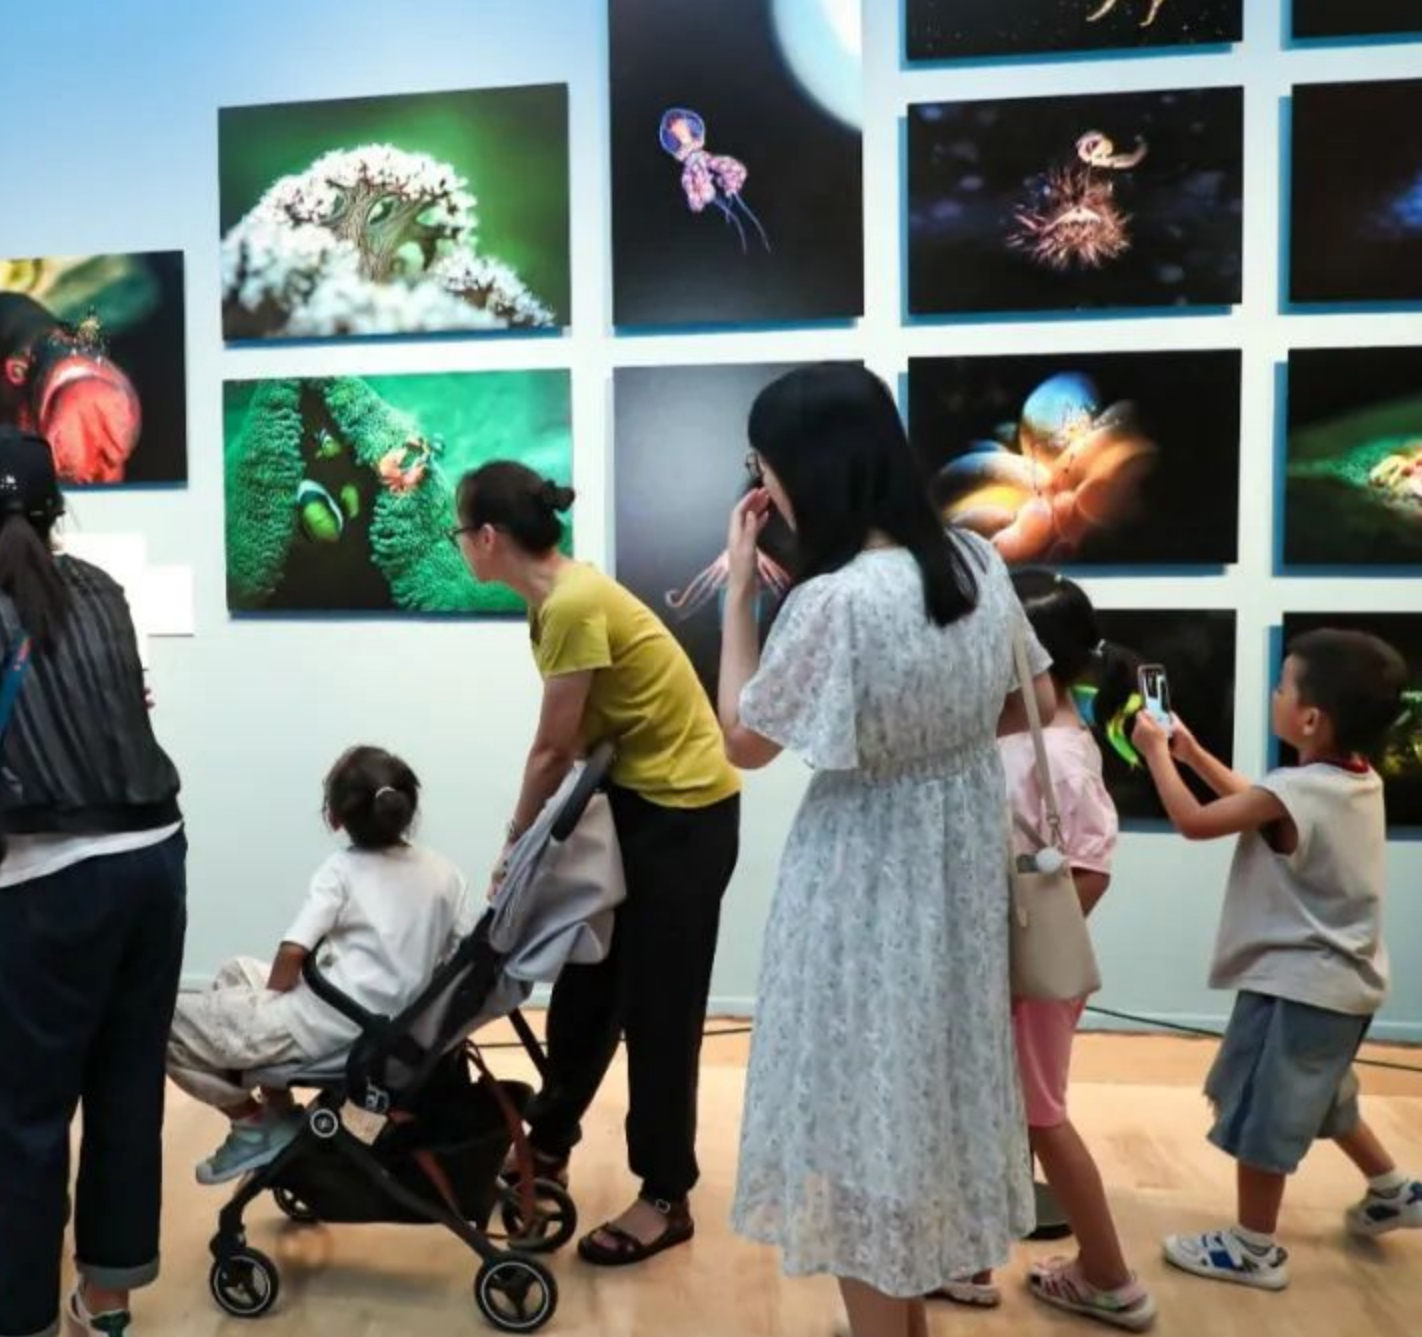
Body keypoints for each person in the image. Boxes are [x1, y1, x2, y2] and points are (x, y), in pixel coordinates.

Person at [716, 363, 1036, 1337]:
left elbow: (743, 741)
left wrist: (739, 591)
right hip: (956, 874)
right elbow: (1021, 693)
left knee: (857, 1127)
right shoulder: (977, 563)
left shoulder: (837, 601)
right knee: (915, 1112)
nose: (763, 485)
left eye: (763, 465)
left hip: (861, 882)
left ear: (805, 468)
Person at [0, 427, 186, 1337]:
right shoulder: (101, 587)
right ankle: (105, 1304)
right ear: (57, 506)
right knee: (126, 1087)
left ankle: (23, 1319)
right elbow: (120, 704)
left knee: (27, 1113)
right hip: (156, 854)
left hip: (55, 873)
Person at [451, 461, 741, 1267]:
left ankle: (665, 1197)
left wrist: (516, 845)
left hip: (686, 816)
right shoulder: (555, 602)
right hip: (639, 805)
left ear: (487, 538)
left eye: (459, 533)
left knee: (659, 1012)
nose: (460, 546)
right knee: (588, 985)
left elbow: (553, 749)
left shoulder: (572, 604)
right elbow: (578, 741)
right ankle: (547, 1144)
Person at [1133, 627, 1422, 1291]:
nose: (1273, 694)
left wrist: (1156, 757)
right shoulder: (1352, 780)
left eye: (1283, 686)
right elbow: (1262, 807)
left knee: (1265, 1109)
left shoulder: (1300, 789)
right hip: (1343, 985)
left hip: (1300, 985)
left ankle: (1252, 1247)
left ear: (1311, 718)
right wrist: (1193, 753)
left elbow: (1197, 823)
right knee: (1324, 1091)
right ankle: (1392, 1188)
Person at [936, 573, 1156, 1331]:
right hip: (1006, 969)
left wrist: (1014, 963)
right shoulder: (1023, 736)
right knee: (1002, 1113)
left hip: (1027, 975)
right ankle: (970, 1261)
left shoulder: (1055, 752)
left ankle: (1111, 1277)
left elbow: (1090, 869)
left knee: (1041, 1118)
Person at [167, 746, 465, 1184]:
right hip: (389, 1027)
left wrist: (270, 1004)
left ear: (335, 818)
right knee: (235, 970)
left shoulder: (341, 869)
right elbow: (456, 953)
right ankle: (279, 1109)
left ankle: (253, 1124)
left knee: (160, 1021)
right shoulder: (446, 873)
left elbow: (293, 953)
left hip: (324, 1026)